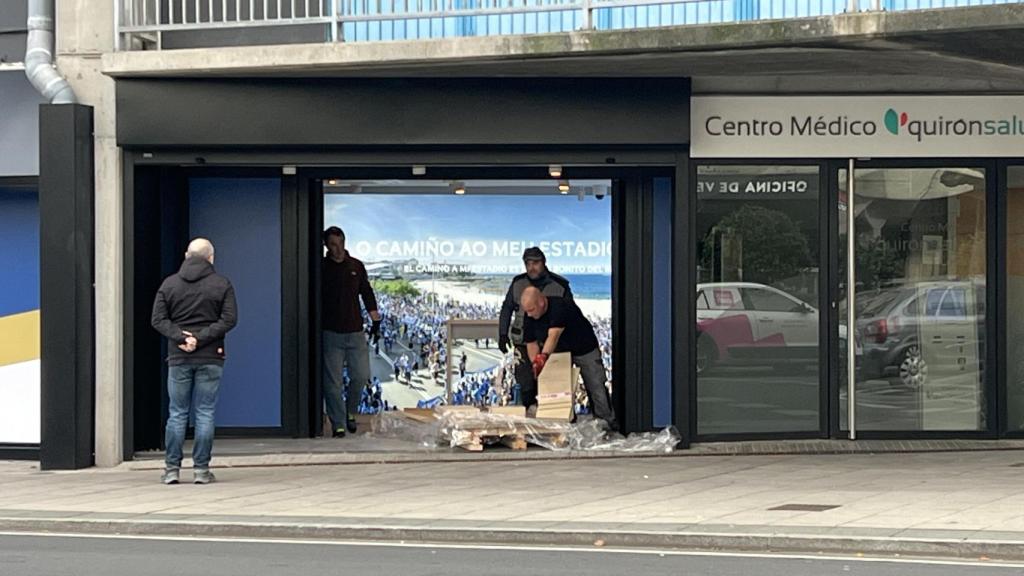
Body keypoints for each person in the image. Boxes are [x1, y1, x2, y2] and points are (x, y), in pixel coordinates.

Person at [151, 238, 237, 485]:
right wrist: (200, 339)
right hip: (211, 356)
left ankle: (171, 470)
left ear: (187, 256)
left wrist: (181, 337)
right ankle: (201, 470)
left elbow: (157, 319)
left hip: (178, 357)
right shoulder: (222, 284)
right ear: (211, 257)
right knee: (205, 412)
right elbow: (230, 319)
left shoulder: (169, 284)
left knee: (177, 413)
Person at [520, 286, 616, 429]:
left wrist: (543, 357)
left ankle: (607, 422)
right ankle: (564, 420)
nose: (528, 315)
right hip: (559, 351)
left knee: (595, 384)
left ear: (541, 302)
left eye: (531, 310)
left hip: (584, 347)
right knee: (558, 387)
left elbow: (554, 336)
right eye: (526, 310)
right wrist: (536, 363)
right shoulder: (529, 315)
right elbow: (531, 343)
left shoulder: (560, 307)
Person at [322, 226, 381, 438]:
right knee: (333, 383)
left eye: (340, 244)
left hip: (355, 332)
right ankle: (337, 423)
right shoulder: (321, 267)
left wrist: (376, 320)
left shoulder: (356, 266)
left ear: (345, 242)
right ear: (326, 246)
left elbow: (366, 292)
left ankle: (351, 412)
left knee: (361, 376)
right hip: (330, 333)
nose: (337, 249)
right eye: (332, 245)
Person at [497, 247, 572, 410]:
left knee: (552, 387)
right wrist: (502, 334)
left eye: (535, 263)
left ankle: (550, 423)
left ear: (544, 263)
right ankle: (528, 424)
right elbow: (507, 308)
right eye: (527, 263)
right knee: (525, 385)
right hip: (523, 342)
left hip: (551, 345)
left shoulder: (560, 285)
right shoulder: (518, 283)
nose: (531, 267)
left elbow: (569, 315)